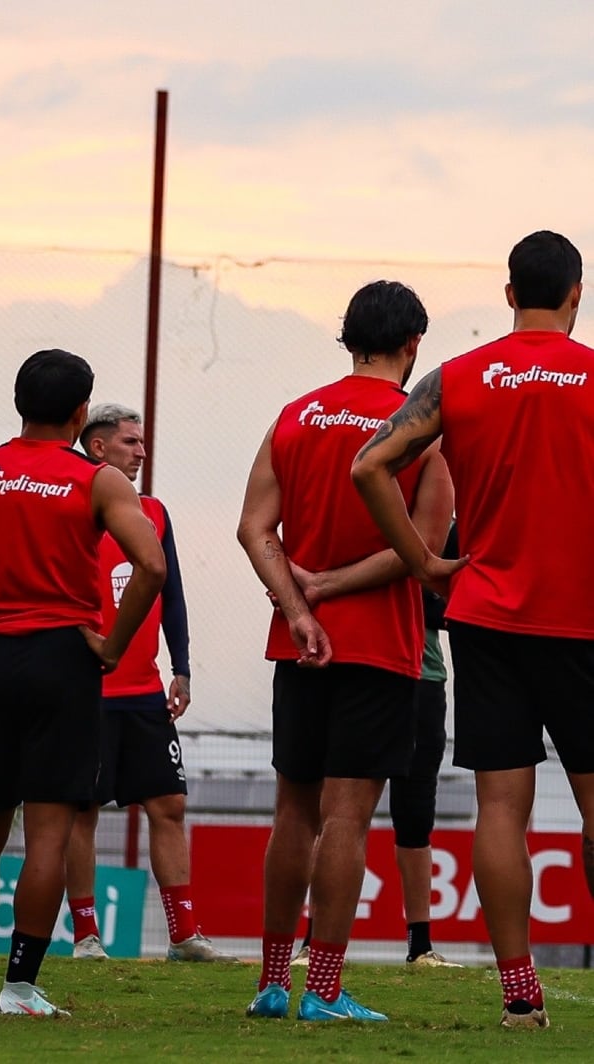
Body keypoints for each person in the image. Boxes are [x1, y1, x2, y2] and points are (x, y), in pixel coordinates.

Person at [352, 232, 594, 1029]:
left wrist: (423, 561)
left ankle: (520, 994)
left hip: (486, 616)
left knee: (500, 807)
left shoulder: (457, 378)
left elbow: (368, 465)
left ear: (509, 294)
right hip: (583, 619)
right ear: (576, 294)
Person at [0, 348, 166, 1017]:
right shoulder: (97, 480)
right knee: (47, 834)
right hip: (64, 661)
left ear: (19, 403)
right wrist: (111, 647)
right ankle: (18, 989)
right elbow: (152, 566)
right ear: (80, 412)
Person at [237, 280, 453, 1023]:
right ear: (413, 344)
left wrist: (299, 608)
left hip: (296, 646)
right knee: (347, 820)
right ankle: (324, 988)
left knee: (293, 813)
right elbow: (424, 551)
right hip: (379, 645)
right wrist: (329, 587)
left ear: (347, 337)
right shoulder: (420, 427)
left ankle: (272, 983)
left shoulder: (294, 415)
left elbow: (254, 528)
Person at [63, 403, 233, 964]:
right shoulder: (71, 507)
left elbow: (172, 592)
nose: (141, 451)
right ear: (98, 447)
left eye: (141, 441)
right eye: (130, 442)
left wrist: (181, 666)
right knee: (81, 812)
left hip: (144, 693)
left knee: (169, 805)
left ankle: (184, 936)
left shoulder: (154, 512)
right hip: (86, 692)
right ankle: (86, 937)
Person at [291, 522, 464, 972]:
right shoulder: (358, 523)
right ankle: (312, 942)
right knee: (338, 811)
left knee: (415, 813)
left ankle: (420, 946)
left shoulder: (444, 527)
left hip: (422, 679)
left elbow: (449, 599)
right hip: (360, 670)